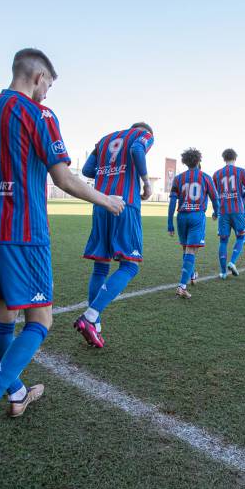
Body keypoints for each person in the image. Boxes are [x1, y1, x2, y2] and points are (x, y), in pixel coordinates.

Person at [0, 48, 125, 466]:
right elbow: (64, 177)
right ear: (37, 77)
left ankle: (17, 392)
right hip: (23, 234)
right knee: (40, 321)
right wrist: (107, 200)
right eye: (49, 85)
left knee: (2, 320)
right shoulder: (39, 115)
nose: (47, 93)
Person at [75, 122, 154, 347]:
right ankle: (90, 318)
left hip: (101, 203)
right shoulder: (143, 134)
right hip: (124, 204)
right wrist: (146, 183)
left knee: (100, 266)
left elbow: (87, 170)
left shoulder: (104, 140)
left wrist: (109, 171)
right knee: (130, 265)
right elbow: (138, 149)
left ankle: (96, 327)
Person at [167, 148, 219, 298]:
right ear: (198, 161)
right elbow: (215, 199)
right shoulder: (205, 177)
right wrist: (216, 213)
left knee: (186, 249)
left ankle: (192, 274)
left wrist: (170, 223)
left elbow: (172, 202)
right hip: (197, 216)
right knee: (191, 250)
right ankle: (182, 287)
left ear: (185, 162)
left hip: (181, 216)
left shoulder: (178, 178)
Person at [212, 149, 245, 279]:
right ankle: (232, 262)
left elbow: (215, 195)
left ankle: (223, 272)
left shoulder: (217, 174)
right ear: (235, 158)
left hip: (223, 211)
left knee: (223, 241)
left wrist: (215, 210)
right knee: (240, 237)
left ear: (223, 158)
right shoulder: (241, 171)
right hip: (237, 210)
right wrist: (240, 195)